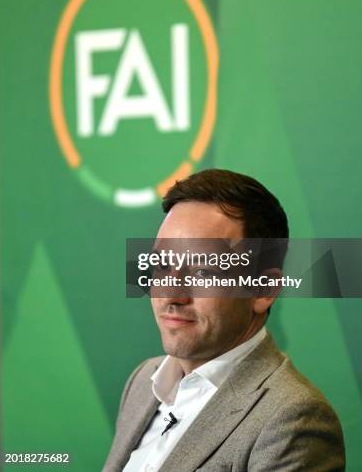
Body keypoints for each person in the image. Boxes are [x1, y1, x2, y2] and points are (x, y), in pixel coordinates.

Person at [104, 169, 345, 471]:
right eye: (162, 264)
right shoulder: (142, 382)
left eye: (203, 271)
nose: (170, 294)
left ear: (263, 290)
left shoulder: (293, 420)